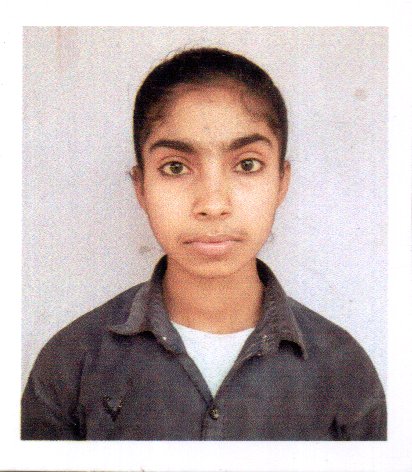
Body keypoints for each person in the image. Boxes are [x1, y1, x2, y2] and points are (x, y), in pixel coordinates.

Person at [21, 47, 386, 440]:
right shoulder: (71, 363)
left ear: (282, 182)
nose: (213, 204)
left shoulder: (345, 370)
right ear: (141, 187)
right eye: (175, 167)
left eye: (247, 164)